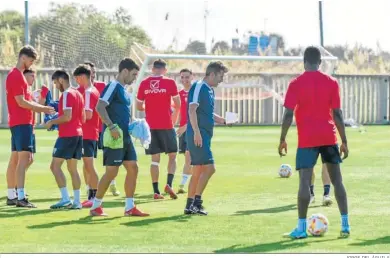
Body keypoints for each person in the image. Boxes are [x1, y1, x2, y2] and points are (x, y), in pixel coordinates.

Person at [278, 46, 350, 239]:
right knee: (338, 182)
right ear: (320, 63)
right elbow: (337, 114)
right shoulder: (332, 82)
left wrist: (282, 139)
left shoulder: (295, 84)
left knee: (304, 182)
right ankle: (345, 225)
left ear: (304, 62)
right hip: (328, 137)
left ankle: (301, 228)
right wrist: (344, 140)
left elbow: (287, 114)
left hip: (307, 139)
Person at [90, 58, 149, 217]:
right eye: (134, 74)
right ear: (124, 71)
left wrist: (134, 124)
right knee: (111, 173)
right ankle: (96, 206)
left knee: (133, 167)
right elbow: (99, 107)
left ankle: (129, 207)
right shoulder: (113, 86)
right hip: (114, 137)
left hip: (125, 137)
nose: (135, 78)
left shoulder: (123, 89)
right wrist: (111, 125)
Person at [5, 45, 54, 208]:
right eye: (31, 60)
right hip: (21, 122)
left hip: (20, 123)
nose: (31, 64)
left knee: (16, 160)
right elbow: (21, 102)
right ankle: (20, 197)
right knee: (22, 159)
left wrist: (39, 104)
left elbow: (25, 99)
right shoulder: (16, 76)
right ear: (23, 57)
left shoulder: (16, 75)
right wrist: (43, 108)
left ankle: (12, 195)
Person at [184, 61, 229, 215]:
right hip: (199, 135)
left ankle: (189, 205)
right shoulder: (198, 86)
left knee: (198, 171)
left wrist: (223, 120)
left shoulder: (209, 90)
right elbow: (191, 109)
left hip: (203, 135)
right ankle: (197, 203)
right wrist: (196, 132)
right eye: (220, 76)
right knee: (210, 169)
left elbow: (207, 114)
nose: (221, 80)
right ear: (212, 74)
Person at [136, 59, 181, 200]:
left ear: (152, 69)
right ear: (165, 70)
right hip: (166, 125)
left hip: (150, 126)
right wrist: (171, 115)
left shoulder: (144, 83)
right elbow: (178, 104)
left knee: (155, 160)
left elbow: (138, 106)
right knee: (172, 155)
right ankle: (168, 184)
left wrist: (148, 108)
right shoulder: (170, 82)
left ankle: (156, 192)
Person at [44, 70, 85, 209]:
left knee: (54, 166)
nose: (55, 86)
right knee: (73, 169)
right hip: (78, 134)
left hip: (67, 136)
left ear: (61, 80)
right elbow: (82, 117)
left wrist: (52, 122)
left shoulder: (67, 94)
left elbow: (67, 117)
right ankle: (77, 202)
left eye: (55, 82)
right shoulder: (78, 93)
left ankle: (66, 198)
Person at [84, 61, 120, 197]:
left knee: (109, 158)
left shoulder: (102, 86)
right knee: (87, 161)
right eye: (89, 73)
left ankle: (112, 184)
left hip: (104, 128)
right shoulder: (80, 89)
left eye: (93, 73)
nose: (92, 75)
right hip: (89, 131)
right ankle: (89, 187)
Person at [73, 64, 101, 208]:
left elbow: (88, 115)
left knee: (89, 165)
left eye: (77, 79)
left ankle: (95, 196)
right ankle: (92, 194)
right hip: (89, 133)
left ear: (83, 77)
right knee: (87, 165)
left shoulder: (89, 92)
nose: (77, 82)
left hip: (88, 133)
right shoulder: (92, 90)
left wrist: (73, 117)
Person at [173, 68, 193, 194]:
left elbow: (197, 113)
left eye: (187, 77)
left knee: (189, 157)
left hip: (193, 129)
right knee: (187, 157)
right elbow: (178, 112)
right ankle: (184, 183)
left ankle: (183, 184)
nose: (185, 80)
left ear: (192, 77)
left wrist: (185, 126)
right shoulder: (179, 94)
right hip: (182, 130)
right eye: (182, 77)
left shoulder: (195, 92)